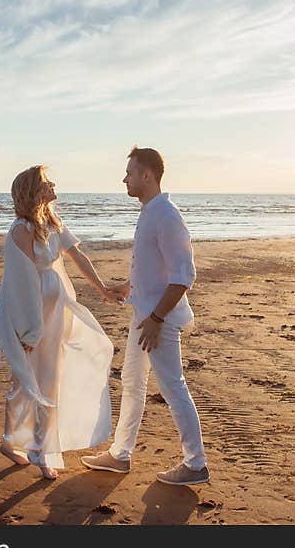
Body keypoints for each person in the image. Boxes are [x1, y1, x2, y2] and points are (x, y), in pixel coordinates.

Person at [81, 147, 209, 486]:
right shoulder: (150, 212)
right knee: (132, 383)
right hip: (145, 314)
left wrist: (156, 319)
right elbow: (158, 271)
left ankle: (195, 462)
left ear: (147, 175)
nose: (125, 178)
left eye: (130, 172)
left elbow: (184, 275)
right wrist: (127, 288)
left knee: (172, 386)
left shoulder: (166, 215)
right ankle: (120, 454)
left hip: (158, 321)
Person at [0, 165, 117, 479]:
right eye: (47, 182)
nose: (54, 185)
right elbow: (22, 282)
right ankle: (13, 441)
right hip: (31, 310)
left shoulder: (53, 222)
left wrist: (102, 289)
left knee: (50, 378)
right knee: (24, 378)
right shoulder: (21, 229)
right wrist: (31, 328)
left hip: (57, 307)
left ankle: (43, 449)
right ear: (34, 190)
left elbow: (79, 257)